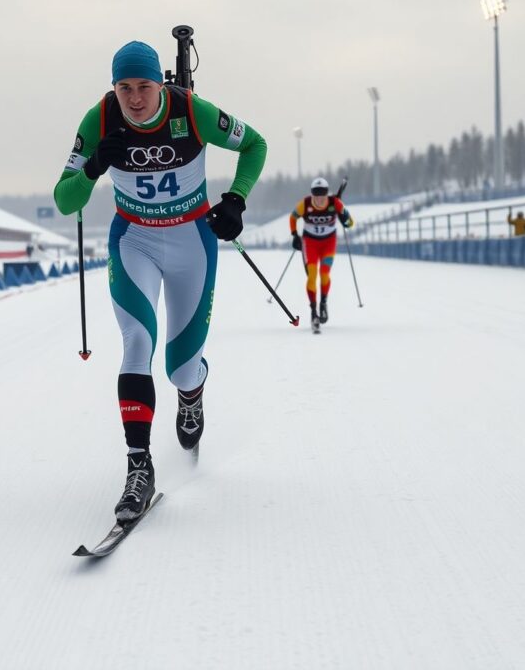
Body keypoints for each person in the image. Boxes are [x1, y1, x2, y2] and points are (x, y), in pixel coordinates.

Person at [53, 39, 267, 523]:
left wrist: (236, 199)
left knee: (180, 368)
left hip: (192, 241)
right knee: (136, 342)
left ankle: (191, 394)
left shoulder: (191, 110)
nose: (133, 98)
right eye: (123, 87)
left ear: (160, 84)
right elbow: (66, 200)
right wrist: (92, 167)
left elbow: (256, 144)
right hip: (135, 242)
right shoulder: (101, 119)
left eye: (144, 87)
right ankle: (139, 467)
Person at [289, 177, 353, 329]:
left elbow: (350, 224)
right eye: (315, 194)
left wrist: (344, 217)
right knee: (312, 275)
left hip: (328, 244)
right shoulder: (305, 204)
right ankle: (313, 311)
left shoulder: (335, 203)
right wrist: (294, 235)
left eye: (322, 194)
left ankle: (323, 303)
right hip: (310, 244)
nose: (318, 198)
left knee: (324, 273)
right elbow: (293, 217)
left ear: (327, 194)